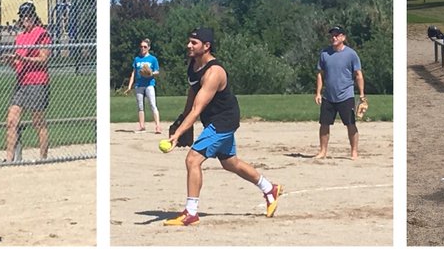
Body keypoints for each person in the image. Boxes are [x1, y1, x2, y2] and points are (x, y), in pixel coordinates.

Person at [162, 28, 284, 225]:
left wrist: (177, 134)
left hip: (223, 120)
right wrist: (181, 118)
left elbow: (197, 108)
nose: (189, 46)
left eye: (194, 43)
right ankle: (270, 188)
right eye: (189, 41)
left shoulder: (214, 72)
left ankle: (191, 213)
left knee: (193, 160)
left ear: (206, 46)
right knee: (230, 163)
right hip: (214, 119)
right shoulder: (193, 65)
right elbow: (193, 93)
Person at [2, 2, 51, 162]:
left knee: (38, 122)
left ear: (34, 16)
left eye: (29, 15)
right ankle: (9, 159)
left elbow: (43, 59)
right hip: (22, 82)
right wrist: (10, 61)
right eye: (23, 16)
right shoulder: (21, 37)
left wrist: (24, 58)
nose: (26, 18)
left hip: (37, 81)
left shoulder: (42, 33)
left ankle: (43, 158)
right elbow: (17, 64)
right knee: (11, 120)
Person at [314, 26, 366, 159]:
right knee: (324, 124)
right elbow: (320, 74)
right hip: (328, 95)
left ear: (343, 37)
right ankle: (323, 151)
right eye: (332, 35)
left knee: (350, 123)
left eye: (337, 35)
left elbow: (358, 74)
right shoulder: (324, 54)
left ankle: (354, 152)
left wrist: (361, 94)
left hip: (346, 95)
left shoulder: (351, 54)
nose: (334, 37)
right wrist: (318, 93)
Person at [124, 39, 161, 134]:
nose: (143, 48)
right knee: (140, 106)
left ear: (149, 47)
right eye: (141, 46)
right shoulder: (137, 59)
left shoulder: (152, 59)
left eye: (145, 46)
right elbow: (134, 73)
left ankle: (157, 126)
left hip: (149, 84)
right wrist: (129, 86)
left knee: (153, 105)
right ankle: (142, 126)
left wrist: (151, 73)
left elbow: (157, 71)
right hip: (139, 85)